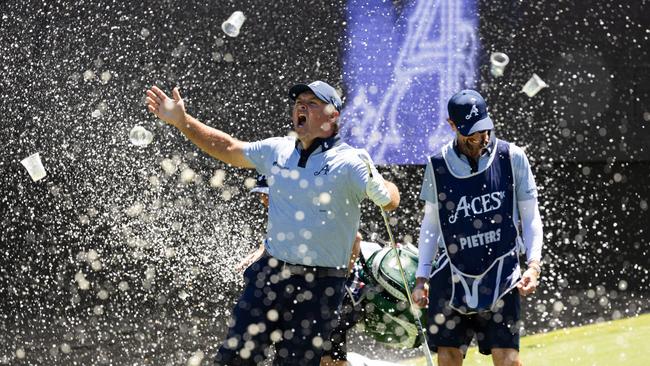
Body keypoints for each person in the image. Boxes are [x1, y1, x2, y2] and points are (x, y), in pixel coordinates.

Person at [145, 80, 400, 366]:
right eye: (298, 103)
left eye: (312, 103)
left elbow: (390, 199)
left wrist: (385, 189)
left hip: (321, 287)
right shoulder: (277, 150)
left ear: (333, 116)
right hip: (270, 277)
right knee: (233, 360)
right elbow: (228, 147)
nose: (301, 106)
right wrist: (183, 121)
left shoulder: (350, 162)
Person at [411, 90, 543, 366]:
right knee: (448, 358)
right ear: (452, 125)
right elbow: (431, 224)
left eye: (483, 129)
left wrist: (533, 264)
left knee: (508, 360)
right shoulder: (437, 165)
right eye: (470, 133)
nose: (480, 138)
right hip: (450, 276)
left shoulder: (512, 156)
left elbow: (530, 217)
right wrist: (422, 276)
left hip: (502, 276)